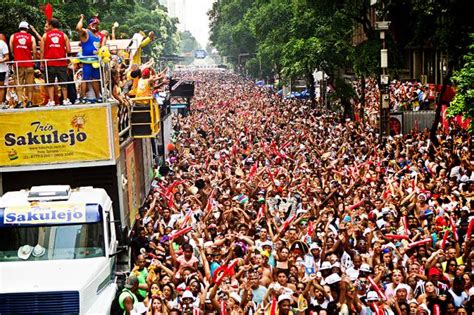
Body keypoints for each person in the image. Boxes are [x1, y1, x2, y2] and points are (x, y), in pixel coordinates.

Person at [40, 17, 71, 106]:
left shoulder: (45, 36)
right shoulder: (64, 35)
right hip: (61, 63)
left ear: (51, 25)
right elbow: (68, 50)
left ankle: (52, 101)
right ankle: (65, 100)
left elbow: (42, 51)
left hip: (49, 63)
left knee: (50, 82)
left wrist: (42, 62)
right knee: (64, 82)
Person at [9, 21, 37, 108]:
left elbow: (12, 50)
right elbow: (35, 51)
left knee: (18, 83)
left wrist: (16, 56)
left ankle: (20, 102)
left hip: (18, 64)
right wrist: (34, 60)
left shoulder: (13, 36)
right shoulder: (31, 37)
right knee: (30, 83)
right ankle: (30, 102)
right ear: (27, 29)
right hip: (29, 64)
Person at [75, 14, 102, 103]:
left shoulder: (97, 36)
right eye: (94, 24)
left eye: (97, 25)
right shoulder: (86, 32)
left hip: (95, 61)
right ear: (90, 25)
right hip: (87, 60)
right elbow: (78, 28)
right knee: (85, 79)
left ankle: (98, 97)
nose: (96, 26)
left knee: (96, 79)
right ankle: (83, 97)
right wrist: (82, 18)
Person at [0, 33, 9, 107]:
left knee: (1, 87)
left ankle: (1, 103)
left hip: (1, 69)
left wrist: (0, 60)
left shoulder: (2, 44)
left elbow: (7, 57)